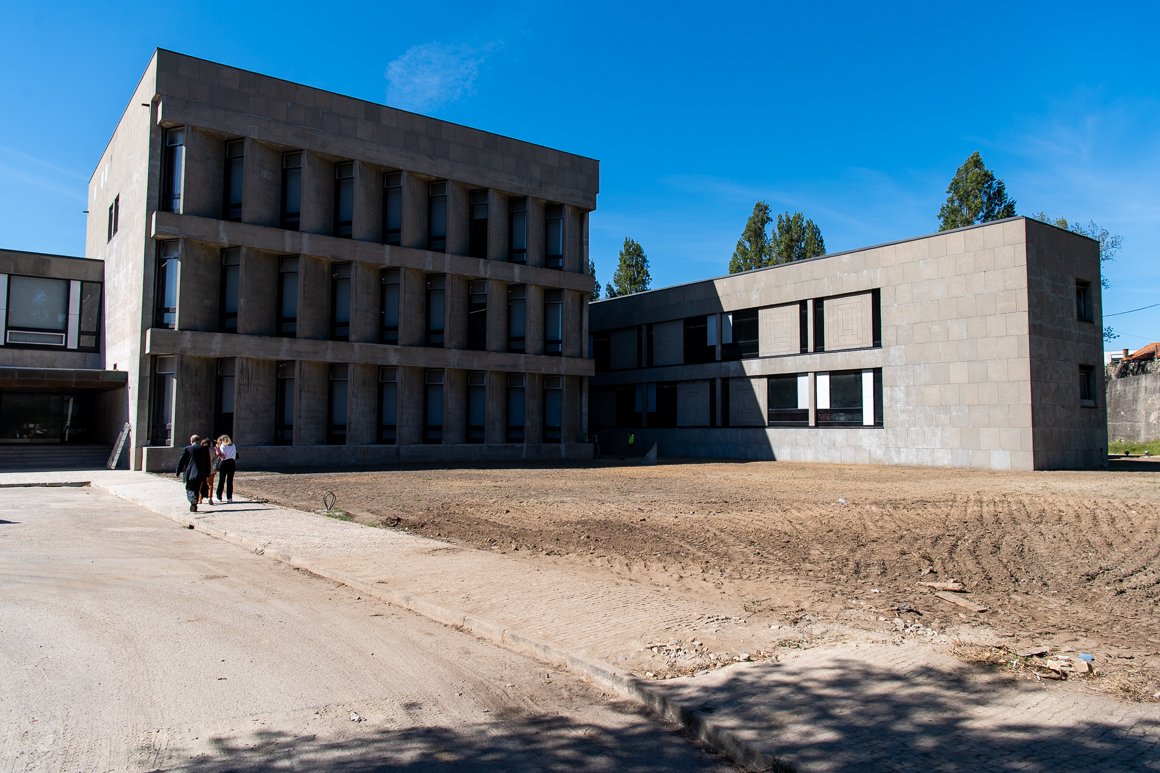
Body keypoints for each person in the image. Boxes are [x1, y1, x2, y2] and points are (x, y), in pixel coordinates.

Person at [176, 434, 212, 512]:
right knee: (196, 489)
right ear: (199, 441)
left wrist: (178, 472)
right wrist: (207, 473)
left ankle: (193, 500)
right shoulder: (204, 449)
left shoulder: (187, 449)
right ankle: (194, 506)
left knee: (189, 488)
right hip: (201, 473)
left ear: (191, 441)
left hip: (191, 473)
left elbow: (181, 461)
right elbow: (207, 462)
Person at [215, 434, 238, 504]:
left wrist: (217, 449)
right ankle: (229, 497)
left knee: (221, 480)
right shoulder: (234, 445)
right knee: (230, 481)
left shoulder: (223, 446)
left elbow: (223, 456)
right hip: (232, 463)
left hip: (224, 463)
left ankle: (219, 496)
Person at [201, 437, 218, 505]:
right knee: (210, 484)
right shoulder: (213, 450)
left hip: (202, 469)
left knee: (201, 484)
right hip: (211, 469)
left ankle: (200, 498)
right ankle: (210, 498)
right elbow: (215, 459)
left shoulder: (201, 449)